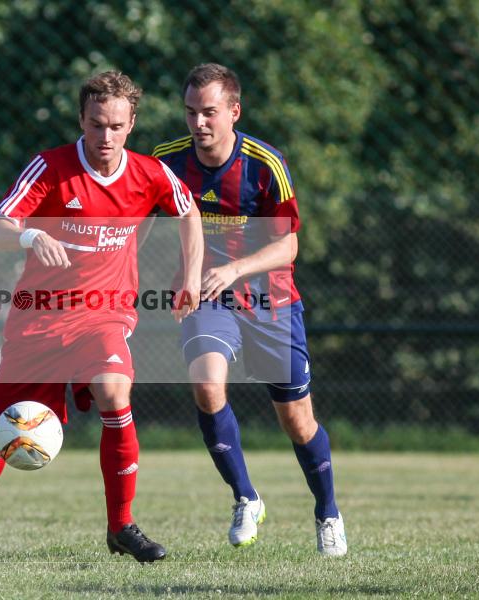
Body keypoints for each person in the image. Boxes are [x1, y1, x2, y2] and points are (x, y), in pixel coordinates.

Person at [0, 71, 203, 563]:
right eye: (96, 125)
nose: (106, 137)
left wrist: (191, 276)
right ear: (81, 119)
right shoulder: (51, 168)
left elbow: (187, 212)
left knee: (115, 392)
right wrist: (31, 236)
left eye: (117, 126)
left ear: (132, 123)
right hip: (39, 323)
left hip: (105, 315)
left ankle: (122, 526)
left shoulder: (148, 174)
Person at [151, 63, 347, 555]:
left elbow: (288, 248)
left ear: (234, 112)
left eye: (210, 112)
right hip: (207, 297)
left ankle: (327, 512)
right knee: (206, 383)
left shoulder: (265, 165)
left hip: (269, 300)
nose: (199, 123)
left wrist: (235, 269)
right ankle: (245, 496)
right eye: (191, 112)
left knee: (297, 420)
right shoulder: (166, 161)